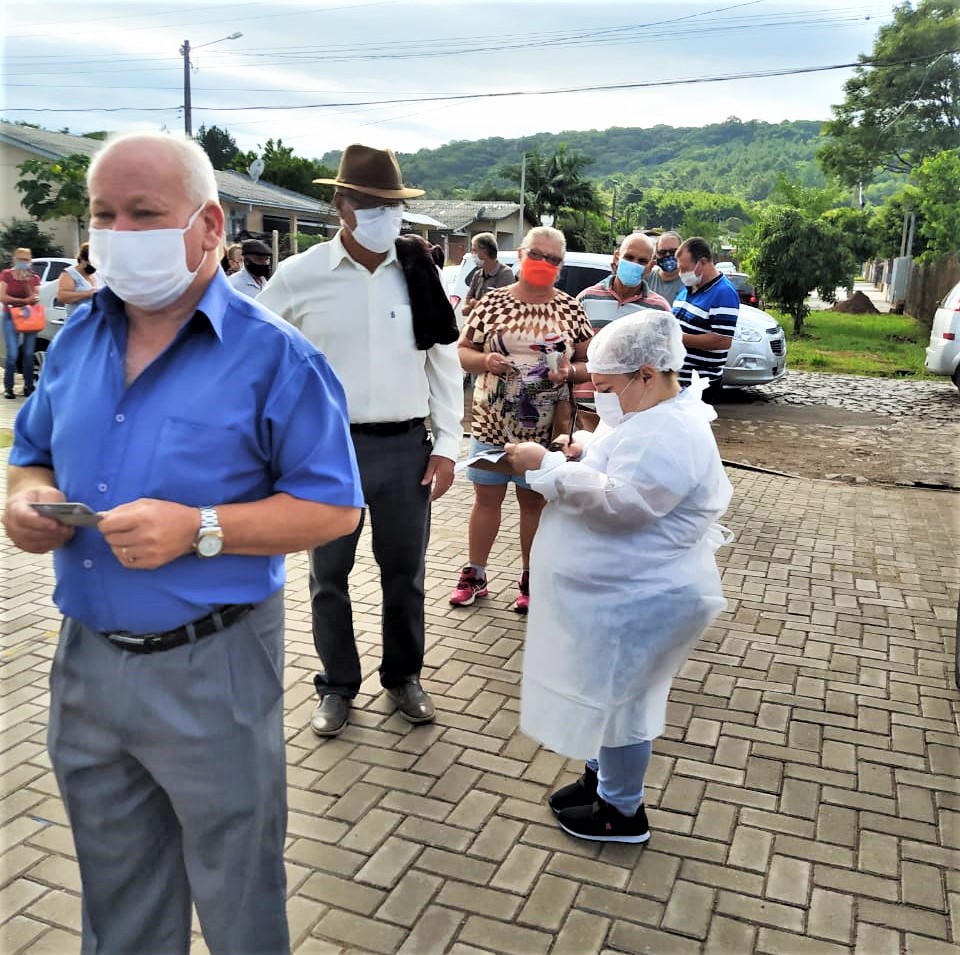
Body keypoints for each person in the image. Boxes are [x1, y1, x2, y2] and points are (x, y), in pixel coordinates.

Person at [1, 130, 364, 954]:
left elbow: (334, 507)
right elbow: (31, 454)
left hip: (216, 664)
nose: (120, 235)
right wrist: (27, 501)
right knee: (117, 894)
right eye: (104, 215)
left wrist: (201, 528)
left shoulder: (277, 358)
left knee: (239, 893)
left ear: (208, 225)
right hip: (87, 662)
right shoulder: (79, 339)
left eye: (144, 213)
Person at [258, 143, 463, 739]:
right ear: (341, 204)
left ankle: (402, 677)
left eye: (392, 204)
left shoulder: (418, 273)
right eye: (371, 203)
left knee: (406, 573)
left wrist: (448, 445)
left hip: (405, 450)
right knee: (330, 576)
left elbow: (443, 363)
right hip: (327, 454)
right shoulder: (300, 276)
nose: (384, 215)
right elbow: (262, 359)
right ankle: (337, 685)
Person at [504, 310, 732, 843]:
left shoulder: (671, 431)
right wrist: (582, 450)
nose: (599, 398)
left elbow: (624, 503)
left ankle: (621, 811)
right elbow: (618, 462)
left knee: (625, 703)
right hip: (623, 593)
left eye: (607, 387)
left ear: (648, 373)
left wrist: (549, 468)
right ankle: (601, 778)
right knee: (606, 693)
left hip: (645, 598)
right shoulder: (646, 413)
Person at [450, 226, 594, 614]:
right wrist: (484, 361)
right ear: (520, 254)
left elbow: (589, 363)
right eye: (537, 255)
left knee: (533, 504)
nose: (544, 264)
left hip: (547, 429)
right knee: (486, 499)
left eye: (553, 259)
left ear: (560, 266)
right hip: (492, 423)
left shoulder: (570, 308)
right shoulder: (492, 302)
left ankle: (531, 577)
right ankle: (475, 573)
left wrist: (568, 371)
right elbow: (461, 351)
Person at [672, 236, 740, 402]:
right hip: (677, 381)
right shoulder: (689, 288)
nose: (681, 274)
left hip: (699, 386)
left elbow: (722, 340)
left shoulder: (723, 292)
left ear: (702, 263)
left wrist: (676, 338)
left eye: (685, 268)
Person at [577, 232, 670, 313]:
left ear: (650, 266)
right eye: (629, 257)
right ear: (617, 258)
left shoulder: (660, 309)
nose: (634, 264)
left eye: (642, 261)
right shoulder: (586, 299)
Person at [1, 247, 42, 399]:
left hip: (29, 317)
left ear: (30, 261)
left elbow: (36, 298)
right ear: (14, 259)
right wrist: (23, 301)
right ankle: (9, 387)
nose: (23, 263)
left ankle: (29, 386)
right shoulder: (6, 274)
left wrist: (26, 282)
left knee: (28, 353)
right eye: (20, 260)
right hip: (9, 316)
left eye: (26, 260)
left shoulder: (34, 278)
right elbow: (2, 297)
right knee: (12, 353)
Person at [461, 232, 514, 318]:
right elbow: (465, 306)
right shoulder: (478, 274)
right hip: (476, 326)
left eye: (474, 250)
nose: (472, 254)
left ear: (484, 252)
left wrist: (474, 303)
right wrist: (477, 304)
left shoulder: (505, 274)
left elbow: (498, 307)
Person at [56, 241, 99, 319]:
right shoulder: (69, 273)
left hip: (94, 321)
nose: (94, 265)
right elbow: (62, 297)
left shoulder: (96, 274)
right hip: (77, 321)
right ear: (82, 259)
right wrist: (87, 294)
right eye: (91, 262)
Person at [645, 231, 685, 305]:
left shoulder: (690, 282)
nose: (668, 255)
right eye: (662, 252)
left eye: (673, 251)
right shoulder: (646, 279)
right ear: (655, 255)